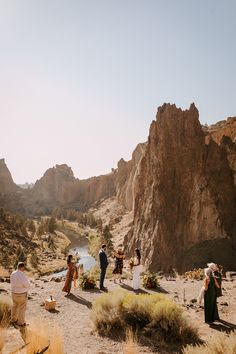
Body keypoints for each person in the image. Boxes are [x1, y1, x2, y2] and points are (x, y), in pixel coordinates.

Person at [10, 262, 30, 327]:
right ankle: (21, 323)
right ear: (22, 267)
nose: (24, 269)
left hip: (14, 293)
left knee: (14, 306)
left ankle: (13, 320)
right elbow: (27, 285)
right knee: (22, 308)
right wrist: (28, 283)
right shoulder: (22, 275)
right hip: (21, 294)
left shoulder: (13, 273)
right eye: (24, 268)